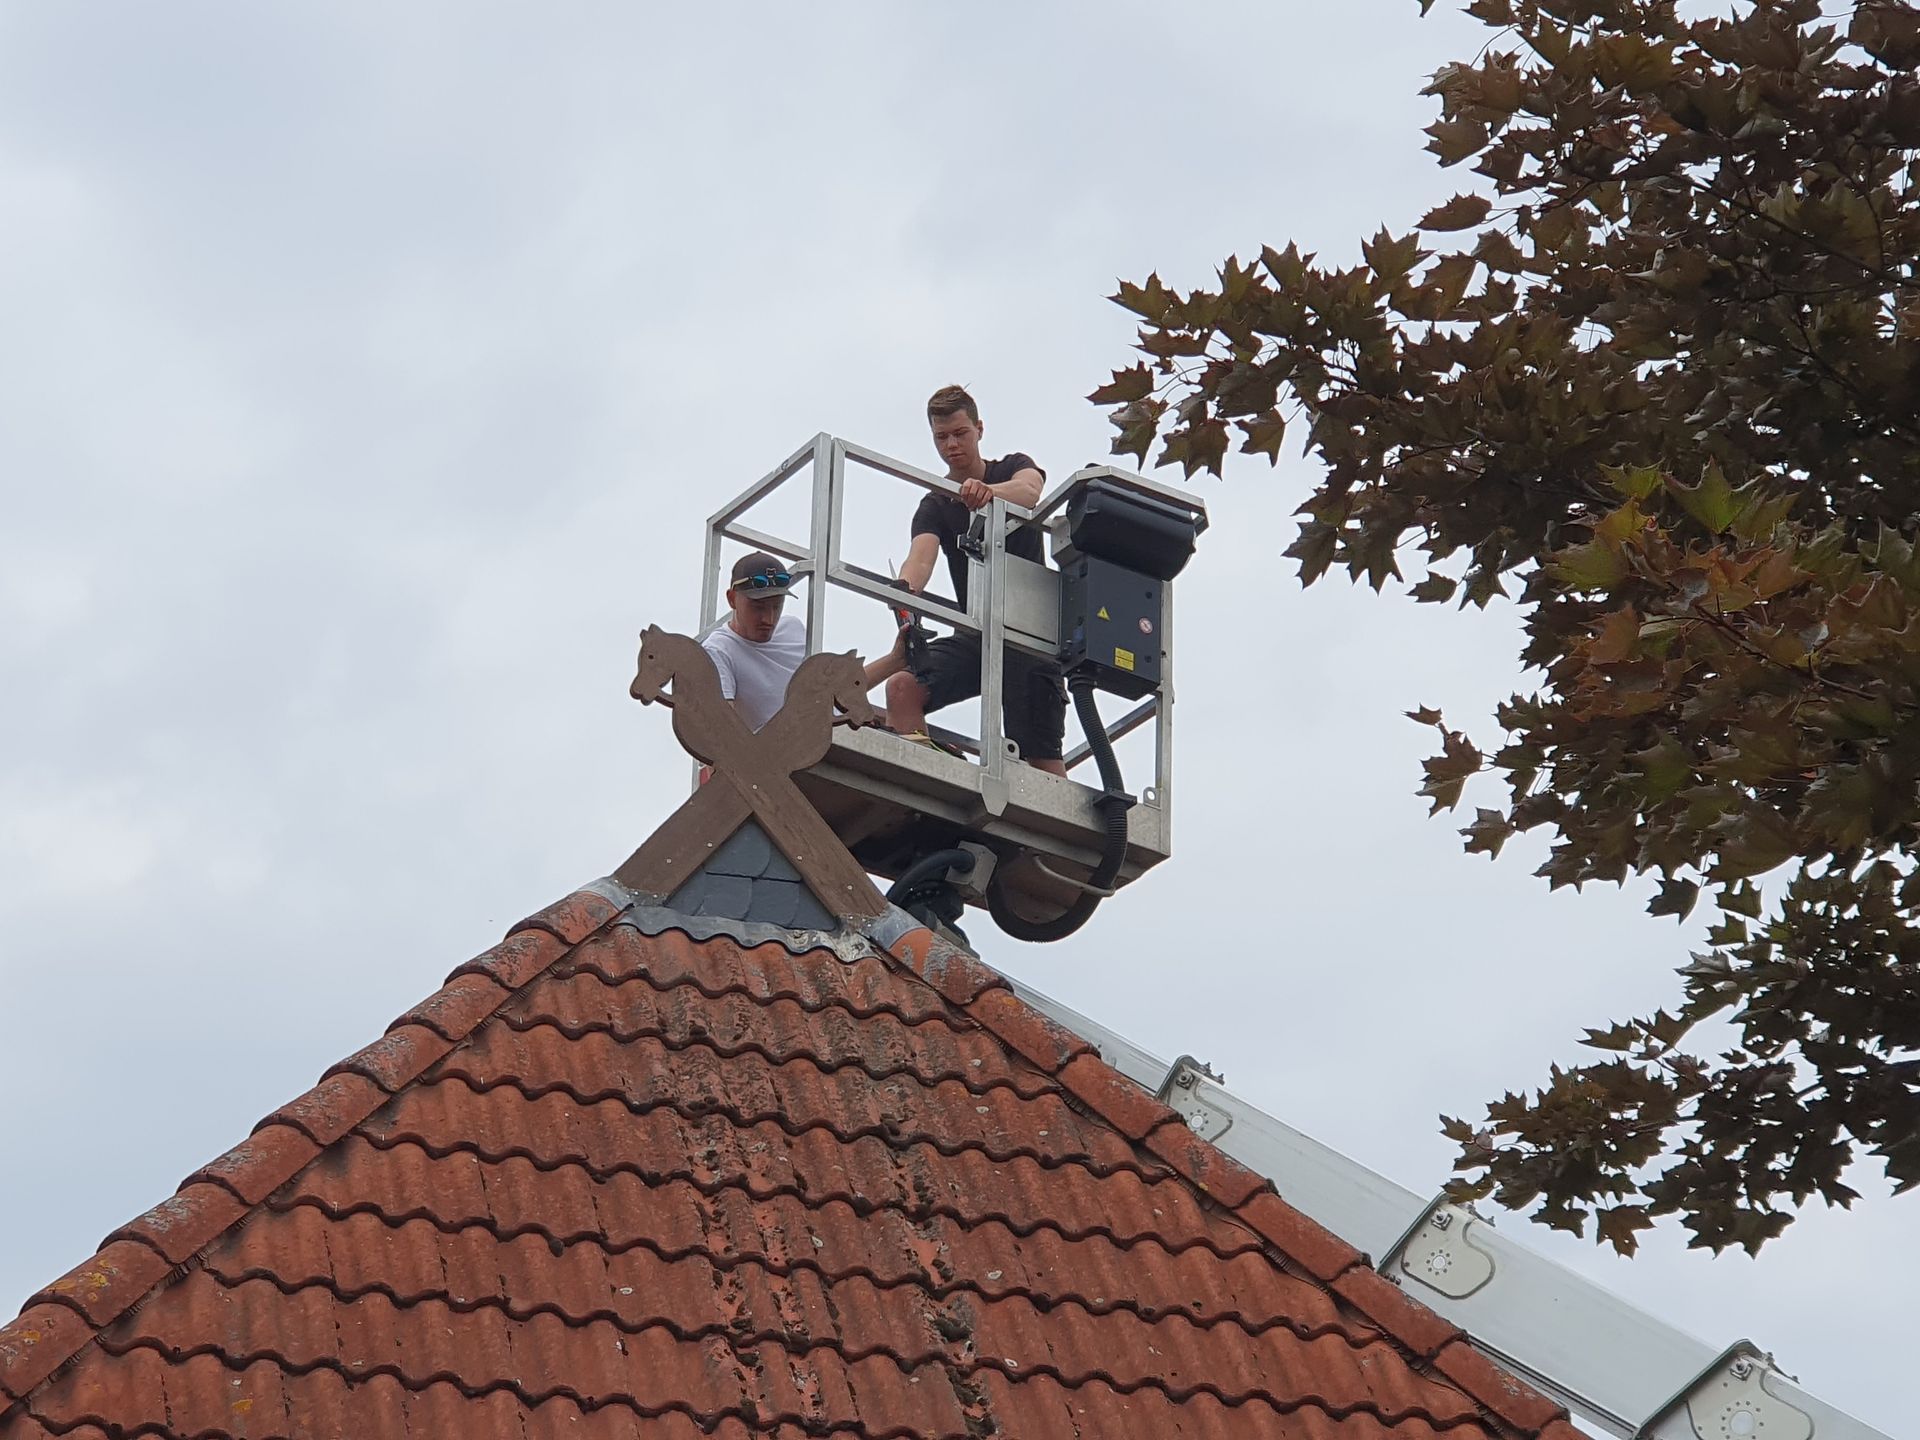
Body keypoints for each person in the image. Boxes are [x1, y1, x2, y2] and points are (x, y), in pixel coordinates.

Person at [878, 385, 1068, 777]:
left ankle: (1061, 838)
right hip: (976, 633)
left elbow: (1031, 490)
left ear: (979, 429)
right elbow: (920, 558)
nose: (951, 445)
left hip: (1030, 636)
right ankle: (921, 790)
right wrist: (904, 597)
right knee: (902, 687)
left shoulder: (1011, 467)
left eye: (959, 433)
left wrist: (989, 493)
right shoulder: (935, 504)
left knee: (1043, 765)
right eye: (941, 437)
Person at [703, 550, 909, 734]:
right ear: (732, 599)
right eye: (758, 607)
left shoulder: (792, 628)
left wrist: (897, 659)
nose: (768, 618)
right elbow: (724, 734)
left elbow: (838, 691)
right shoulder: (719, 650)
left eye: (777, 606)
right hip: (783, 757)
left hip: (837, 737)